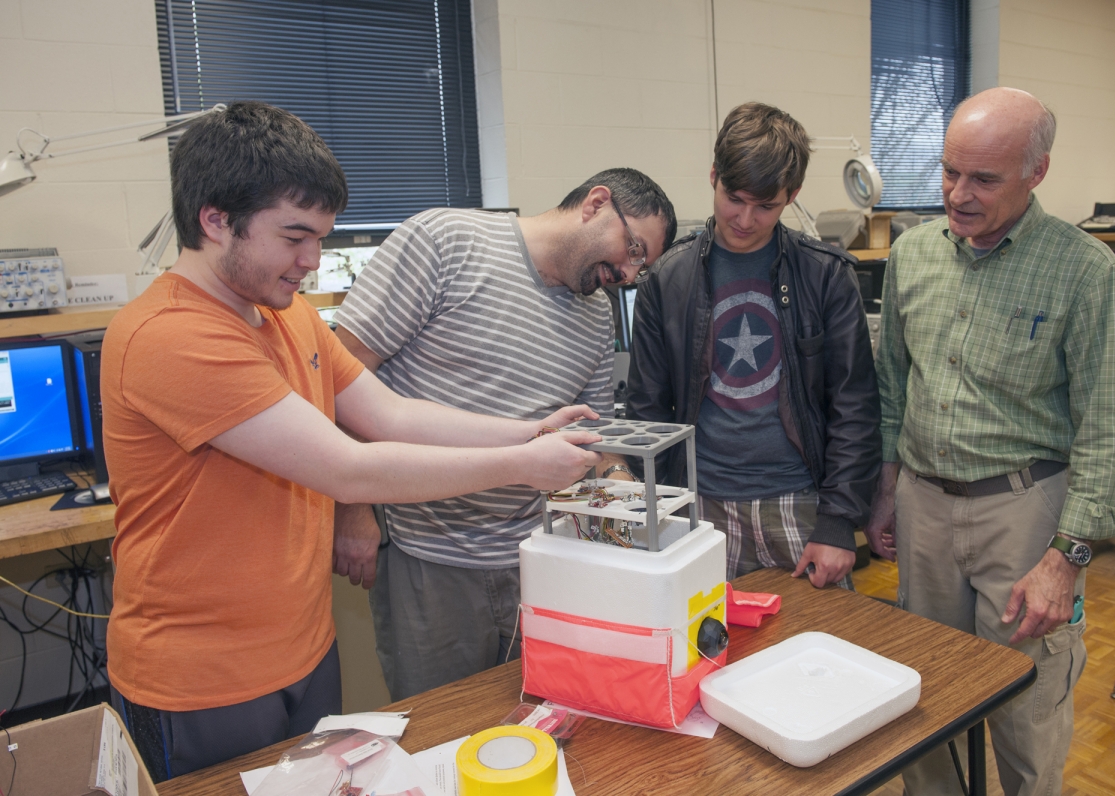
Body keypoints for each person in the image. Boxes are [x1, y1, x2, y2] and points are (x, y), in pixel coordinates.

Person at [101, 101, 603, 780]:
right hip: (201, 683)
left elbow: (392, 416)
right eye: (294, 237)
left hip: (303, 652)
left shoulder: (286, 314)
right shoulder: (170, 335)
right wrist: (522, 464)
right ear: (216, 220)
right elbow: (347, 468)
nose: (312, 260)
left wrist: (531, 429)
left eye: (321, 238)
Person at [866, 87, 1115, 795]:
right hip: (924, 508)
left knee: (1025, 707)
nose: (958, 194)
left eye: (984, 179)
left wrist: (1067, 559)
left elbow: (1110, 431)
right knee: (923, 704)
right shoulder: (914, 254)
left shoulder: (1084, 271)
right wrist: (887, 487)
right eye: (949, 171)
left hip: (1025, 515)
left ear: (1037, 173)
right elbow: (895, 385)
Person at [331, 168, 677, 700]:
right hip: (430, 558)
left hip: (537, 560)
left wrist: (634, 505)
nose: (629, 274)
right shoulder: (446, 241)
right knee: (439, 731)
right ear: (595, 203)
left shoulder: (596, 315)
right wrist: (350, 506)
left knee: (532, 724)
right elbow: (339, 376)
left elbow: (595, 436)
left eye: (642, 267)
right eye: (632, 249)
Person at [625, 101, 881, 587]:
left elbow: (855, 405)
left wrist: (838, 520)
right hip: (701, 503)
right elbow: (647, 409)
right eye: (734, 197)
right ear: (714, 176)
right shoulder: (666, 278)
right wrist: (655, 509)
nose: (744, 219)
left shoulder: (825, 275)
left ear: (793, 195)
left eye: (766, 206)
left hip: (801, 503)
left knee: (817, 651)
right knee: (708, 651)